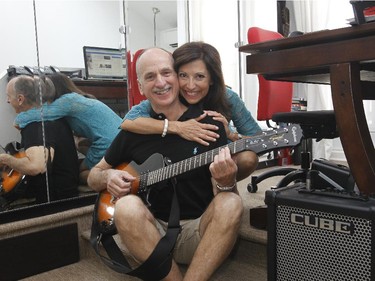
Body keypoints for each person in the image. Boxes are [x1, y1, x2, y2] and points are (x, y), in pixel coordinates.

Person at [87, 48, 243, 281]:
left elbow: (228, 196)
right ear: (141, 87)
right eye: (150, 77)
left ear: (177, 76)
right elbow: (93, 176)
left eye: (166, 73)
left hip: (200, 232)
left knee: (231, 202)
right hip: (151, 234)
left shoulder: (209, 124)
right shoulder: (133, 130)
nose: (160, 82)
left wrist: (226, 182)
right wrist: (108, 177)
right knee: (126, 206)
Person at [121, 41, 261, 181]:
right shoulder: (169, 97)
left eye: (199, 76)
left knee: (248, 158)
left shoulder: (228, 97)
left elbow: (257, 138)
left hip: (217, 160)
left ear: (212, 78)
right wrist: (179, 127)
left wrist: (231, 134)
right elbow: (128, 121)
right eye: (183, 75)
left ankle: (220, 189)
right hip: (177, 166)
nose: (190, 86)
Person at [13, 72, 122, 184]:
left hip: (108, 144)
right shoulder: (80, 98)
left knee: (80, 173)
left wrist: (18, 120)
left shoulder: (67, 101)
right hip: (121, 141)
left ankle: (111, 177)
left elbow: (40, 114)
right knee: (80, 144)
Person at [0, 75, 79, 204]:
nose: (7, 100)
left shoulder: (35, 125)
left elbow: (36, 166)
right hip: (67, 193)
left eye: (8, 96)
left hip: (55, 202)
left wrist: (5, 159)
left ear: (20, 99)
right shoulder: (51, 117)